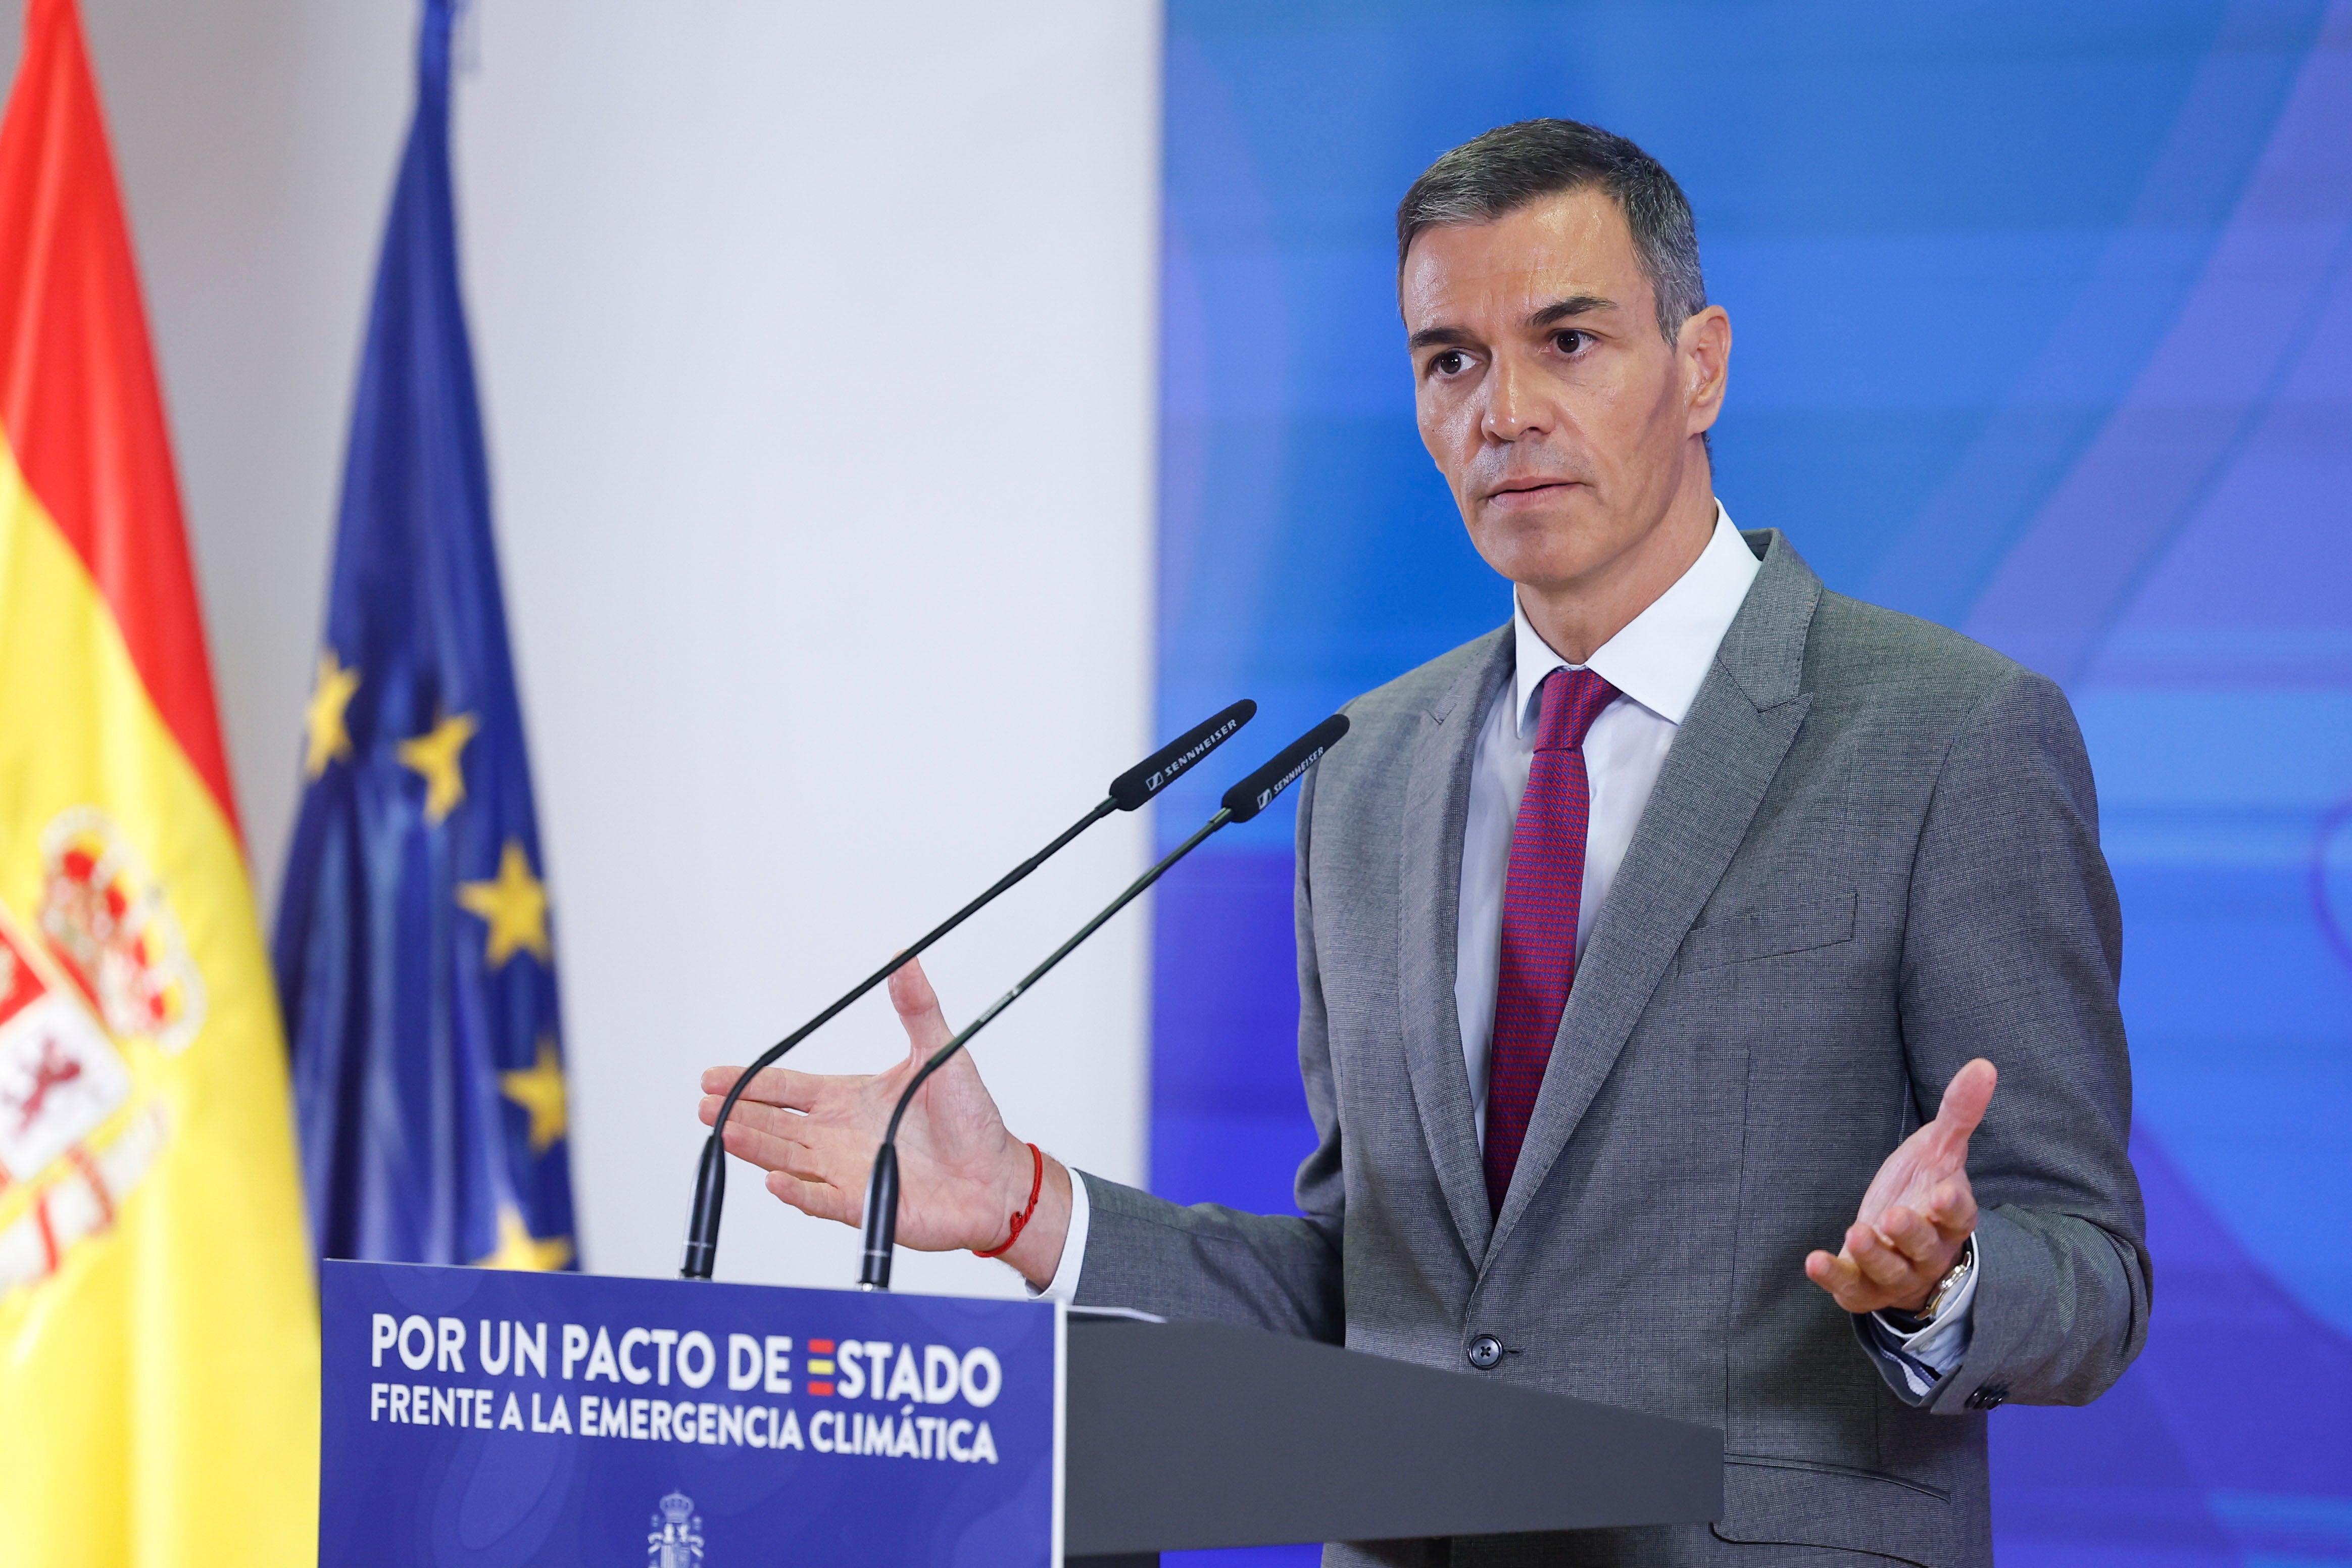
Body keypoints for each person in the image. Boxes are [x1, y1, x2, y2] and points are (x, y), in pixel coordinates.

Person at [700, 119, 2148, 1567]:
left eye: (1568, 341)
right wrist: (1025, 1205)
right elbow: (1380, 1299)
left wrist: (1942, 1282)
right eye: (1449, 359)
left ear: (1699, 364)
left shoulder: (1949, 736)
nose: (1502, 410)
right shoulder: (1362, 771)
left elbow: (2092, 1272)